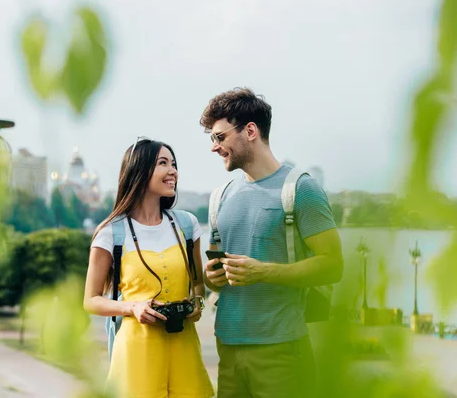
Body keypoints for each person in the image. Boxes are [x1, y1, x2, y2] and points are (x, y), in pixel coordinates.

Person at [200, 88, 344, 398]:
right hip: (227, 346)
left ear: (250, 130)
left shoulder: (301, 190)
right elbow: (213, 276)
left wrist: (262, 272)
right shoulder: (221, 197)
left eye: (220, 137)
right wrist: (211, 277)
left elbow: (332, 266)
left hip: (281, 350)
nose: (215, 147)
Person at [83, 137, 214, 398]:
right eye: (163, 163)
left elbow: (198, 282)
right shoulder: (111, 233)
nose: (173, 171)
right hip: (136, 352)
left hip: (184, 346)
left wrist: (197, 303)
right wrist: (132, 307)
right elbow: (91, 300)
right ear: (139, 171)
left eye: (174, 164)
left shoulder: (187, 226)